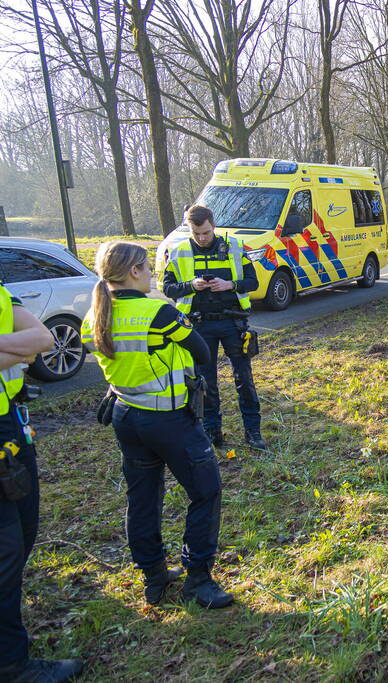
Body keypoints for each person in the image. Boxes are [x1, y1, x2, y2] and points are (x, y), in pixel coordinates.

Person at [82, 242, 233, 610]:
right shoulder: (158, 312)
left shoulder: (94, 315)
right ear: (134, 271)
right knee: (206, 491)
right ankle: (198, 580)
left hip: (126, 415)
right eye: (148, 267)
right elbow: (201, 351)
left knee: (143, 498)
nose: (151, 273)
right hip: (168, 419)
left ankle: (154, 576)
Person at [0, 287, 83, 681]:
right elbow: (27, 346)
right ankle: (11, 664)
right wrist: (16, 349)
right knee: (5, 549)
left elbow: (41, 340)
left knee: (23, 531)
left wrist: (21, 348)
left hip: (10, 423)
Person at [163, 205, 266, 451]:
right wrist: (191, 285)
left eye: (206, 233)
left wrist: (230, 284)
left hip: (233, 322)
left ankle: (253, 432)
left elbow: (253, 281)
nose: (201, 238)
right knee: (205, 382)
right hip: (200, 324)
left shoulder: (235, 247)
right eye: (196, 233)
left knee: (244, 379)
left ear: (214, 225)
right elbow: (167, 288)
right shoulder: (179, 251)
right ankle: (212, 432)